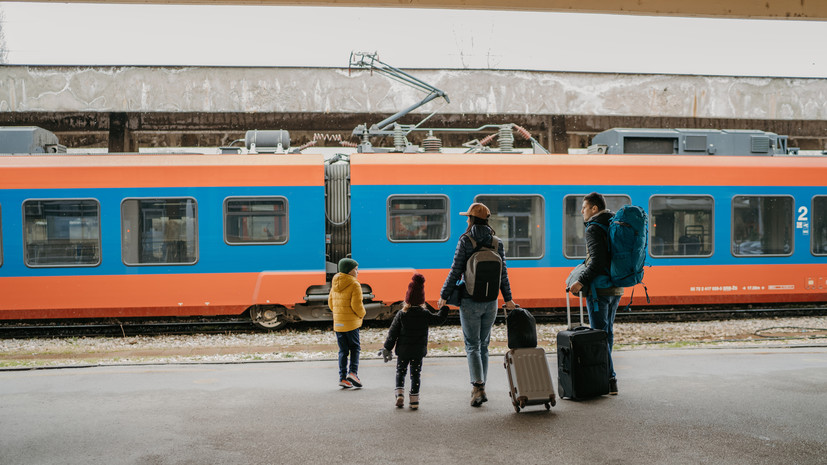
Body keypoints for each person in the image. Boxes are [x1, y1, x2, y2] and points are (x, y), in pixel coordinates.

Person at [437, 202, 517, 407]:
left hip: (470, 300)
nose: (466, 220)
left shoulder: (466, 240)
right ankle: (482, 385)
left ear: (472, 219)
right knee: (483, 345)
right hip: (491, 301)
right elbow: (503, 275)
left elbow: (455, 270)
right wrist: (508, 299)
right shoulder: (497, 242)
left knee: (472, 345)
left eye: (468, 217)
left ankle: (478, 387)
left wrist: (444, 295)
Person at [568, 192, 623, 395]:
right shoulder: (614, 222)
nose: (581, 211)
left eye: (584, 207)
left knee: (599, 335)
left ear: (594, 208)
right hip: (616, 287)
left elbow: (598, 262)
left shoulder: (593, 228)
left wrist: (580, 282)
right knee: (607, 333)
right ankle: (607, 376)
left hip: (598, 289)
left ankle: (610, 379)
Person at [380, 273, 448, 409]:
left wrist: (387, 347)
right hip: (418, 351)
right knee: (415, 374)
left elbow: (392, 333)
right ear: (422, 300)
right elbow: (438, 320)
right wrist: (445, 308)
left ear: (407, 299)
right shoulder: (424, 314)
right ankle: (414, 400)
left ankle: (399, 394)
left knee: (400, 371)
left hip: (403, 351)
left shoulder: (401, 314)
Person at [330, 257, 366, 389]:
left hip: (338, 323)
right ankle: (353, 373)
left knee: (343, 351)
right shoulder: (354, 284)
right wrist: (362, 314)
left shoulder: (334, 282)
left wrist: (339, 315)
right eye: (356, 269)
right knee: (355, 348)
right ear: (349, 271)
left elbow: (331, 303)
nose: (357, 272)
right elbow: (356, 305)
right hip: (351, 324)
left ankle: (342, 378)